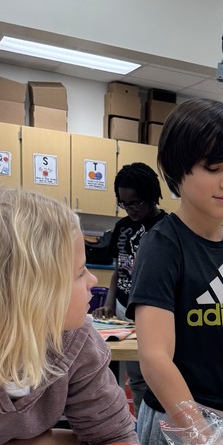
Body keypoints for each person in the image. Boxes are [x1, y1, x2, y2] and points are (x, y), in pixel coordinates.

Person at [0, 188, 137, 445]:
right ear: (30, 293)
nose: (93, 280)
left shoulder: (76, 341)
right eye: (80, 272)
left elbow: (119, 442)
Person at [128, 99, 223, 445]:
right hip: (175, 422)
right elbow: (154, 358)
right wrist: (203, 437)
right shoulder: (162, 246)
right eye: (214, 168)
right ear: (178, 170)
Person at [93, 162, 167, 413]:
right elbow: (119, 269)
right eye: (124, 203)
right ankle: (139, 429)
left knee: (155, 377)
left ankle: (153, 429)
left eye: (136, 203)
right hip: (124, 308)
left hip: (153, 311)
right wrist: (109, 302)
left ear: (152, 197)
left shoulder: (166, 228)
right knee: (135, 378)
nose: (131, 209)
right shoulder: (122, 227)